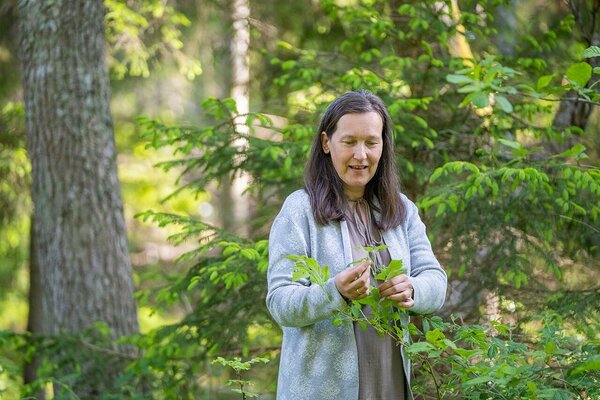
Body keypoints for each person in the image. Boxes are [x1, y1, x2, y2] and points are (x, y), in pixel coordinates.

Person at [266, 89, 447, 400]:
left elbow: (436, 280)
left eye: (371, 142)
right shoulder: (300, 211)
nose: (361, 155)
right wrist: (334, 292)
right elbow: (281, 302)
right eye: (349, 142)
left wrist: (413, 289)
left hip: (390, 382)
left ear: (383, 145)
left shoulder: (402, 210)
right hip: (322, 391)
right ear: (327, 143)